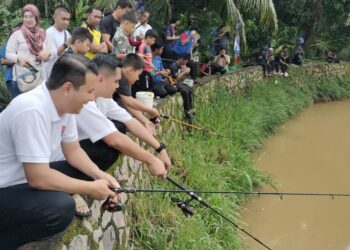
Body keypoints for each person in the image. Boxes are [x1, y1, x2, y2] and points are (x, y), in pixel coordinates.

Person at [0, 55, 120, 249]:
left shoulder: (65, 107)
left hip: (21, 179)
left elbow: (73, 151)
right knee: (59, 208)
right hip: (5, 187)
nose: (92, 98)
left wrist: (100, 176)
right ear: (67, 88)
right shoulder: (31, 110)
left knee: (89, 171)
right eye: (89, 91)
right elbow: (38, 178)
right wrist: (90, 189)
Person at [56, 54, 170, 216]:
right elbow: (114, 139)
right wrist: (151, 160)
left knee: (118, 133)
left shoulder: (103, 98)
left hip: (74, 152)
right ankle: (71, 189)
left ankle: (81, 185)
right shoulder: (83, 101)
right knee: (108, 148)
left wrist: (160, 149)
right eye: (116, 82)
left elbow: (131, 122)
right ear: (101, 79)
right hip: (57, 162)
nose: (118, 87)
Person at [6, 4, 51, 96]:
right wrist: (18, 58)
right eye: (25, 17)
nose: (28, 19)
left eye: (31, 16)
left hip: (39, 78)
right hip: (22, 79)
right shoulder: (17, 34)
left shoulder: (42, 33)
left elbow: (49, 52)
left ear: (37, 17)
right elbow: (8, 54)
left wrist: (47, 54)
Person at [113, 53, 160, 134]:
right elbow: (129, 101)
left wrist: (145, 121)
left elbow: (127, 103)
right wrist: (151, 110)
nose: (138, 78)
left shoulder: (125, 76)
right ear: (131, 70)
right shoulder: (121, 77)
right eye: (138, 75)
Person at [44, 6, 71, 79]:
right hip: (51, 73)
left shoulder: (67, 33)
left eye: (68, 19)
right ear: (55, 17)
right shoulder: (49, 33)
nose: (66, 22)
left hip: (63, 72)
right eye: (63, 19)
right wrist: (66, 44)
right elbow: (52, 55)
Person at [169, 54, 195, 120]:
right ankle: (187, 111)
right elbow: (175, 80)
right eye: (186, 61)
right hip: (172, 84)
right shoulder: (173, 67)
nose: (186, 63)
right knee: (185, 91)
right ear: (182, 59)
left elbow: (181, 79)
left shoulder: (179, 66)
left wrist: (184, 71)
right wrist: (184, 72)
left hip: (178, 82)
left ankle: (191, 108)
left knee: (189, 89)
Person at [132, 29, 158, 95]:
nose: (154, 42)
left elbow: (149, 60)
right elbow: (140, 59)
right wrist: (149, 63)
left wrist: (153, 71)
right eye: (153, 40)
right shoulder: (142, 46)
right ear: (148, 37)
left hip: (149, 72)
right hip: (144, 72)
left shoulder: (149, 46)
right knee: (145, 89)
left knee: (150, 88)